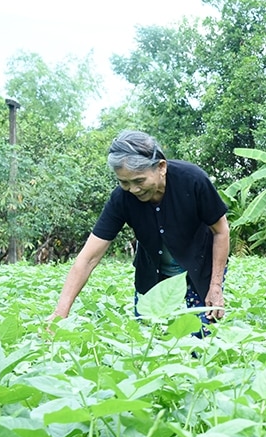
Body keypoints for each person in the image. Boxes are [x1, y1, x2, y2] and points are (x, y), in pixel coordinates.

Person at [49, 130, 229, 332]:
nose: (133, 190)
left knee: (203, 338)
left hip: (201, 269)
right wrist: (60, 313)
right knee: (148, 341)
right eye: (124, 182)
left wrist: (215, 286)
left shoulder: (193, 180)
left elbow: (221, 231)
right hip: (153, 274)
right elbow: (88, 258)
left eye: (139, 181)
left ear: (161, 167)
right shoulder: (121, 199)